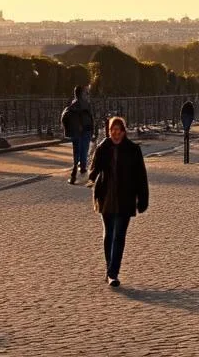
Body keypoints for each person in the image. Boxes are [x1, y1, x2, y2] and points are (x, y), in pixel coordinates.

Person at [88, 116, 149, 288]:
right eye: (112, 130)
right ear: (109, 132)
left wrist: (142, 199)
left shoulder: (133, 150)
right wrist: (91, 178)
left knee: (119, 236)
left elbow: (141, 177)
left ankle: (113, 273)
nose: (115, 133)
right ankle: (109, 270)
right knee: (109, 234)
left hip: (125, 197)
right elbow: (94, 168)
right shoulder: (103, 148)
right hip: (106, 197)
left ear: (123, 132)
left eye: (118, 130)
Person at [61, 84, 95, 184]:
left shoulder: (71, 106)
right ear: (81, 94)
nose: (87, 95)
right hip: (85, 131)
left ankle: (75, 173)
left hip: (76, 132)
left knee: (77, 152)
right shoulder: (84, 104)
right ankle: (82, 172)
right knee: (83, 151)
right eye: (86, 93)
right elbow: (90, 118)